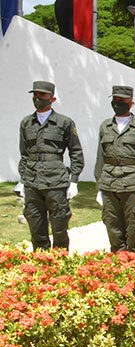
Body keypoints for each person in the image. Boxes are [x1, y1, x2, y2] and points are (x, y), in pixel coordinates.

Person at [18, 80, 84, 250]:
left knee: (60, 224)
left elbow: (76, 152)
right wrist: (23, 179)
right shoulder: (26, 122)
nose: (37, 98)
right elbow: (24, 154)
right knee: (35, 224)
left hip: (56, 181)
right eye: (35, 95)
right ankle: (42, 265)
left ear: (52, 99)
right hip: (33, 180)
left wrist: (74, 180)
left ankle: (60, 265)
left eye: (42, 95)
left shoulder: (64, 123)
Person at [95, 85, 135, 253]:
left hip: (132, 185)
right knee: (112, 227)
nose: (118, 103)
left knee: (134, 229)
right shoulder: (105, 126)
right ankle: (118, 269)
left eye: (122, 101)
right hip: (109, 184)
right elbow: (100, 158)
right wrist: (99, 187)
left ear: (131, 103)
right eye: (115, 100)